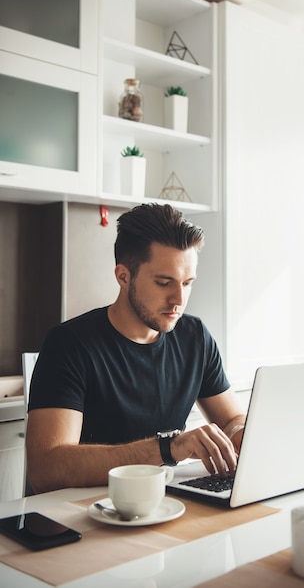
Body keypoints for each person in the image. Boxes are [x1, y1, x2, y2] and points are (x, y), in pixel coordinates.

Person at [26, 203, 246, 494]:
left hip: (163, 504)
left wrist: (240, 435)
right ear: (123, 276)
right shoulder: (69, 345)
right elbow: (46, 467)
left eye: (187, 282)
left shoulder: (195, 338)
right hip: (82, 514)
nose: (178, 298)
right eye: (164, 282)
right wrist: (168, 448)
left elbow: (232, 419)